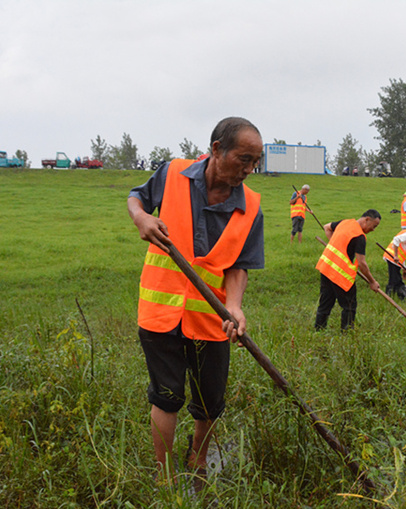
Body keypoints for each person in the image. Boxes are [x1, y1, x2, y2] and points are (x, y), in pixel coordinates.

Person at [127, 117, 265, 485]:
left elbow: (240, 265)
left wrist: (234, 306)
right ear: (217, 149)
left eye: (256, 161)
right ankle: (164, 474)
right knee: (167, 396)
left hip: (212, 319)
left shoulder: (251, 206)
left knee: (210, 400)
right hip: (160, 312)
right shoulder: (173, 173)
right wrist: (141, 217)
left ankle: (198, 456)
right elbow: (137, 197)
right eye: (243, 159)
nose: (249, 169)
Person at [314, 210, 382, 330]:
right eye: (374, 226)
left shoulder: (345, 222)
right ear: (366, 219)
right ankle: (347, 334)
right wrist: (372, 281)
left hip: (326, 268)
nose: (373, 229)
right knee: (349, 306)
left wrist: (334, 244)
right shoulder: (359, 236)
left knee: (325, 302)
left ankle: (318, 330)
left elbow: (327, 227)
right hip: (340, 274)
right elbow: (362, 263)